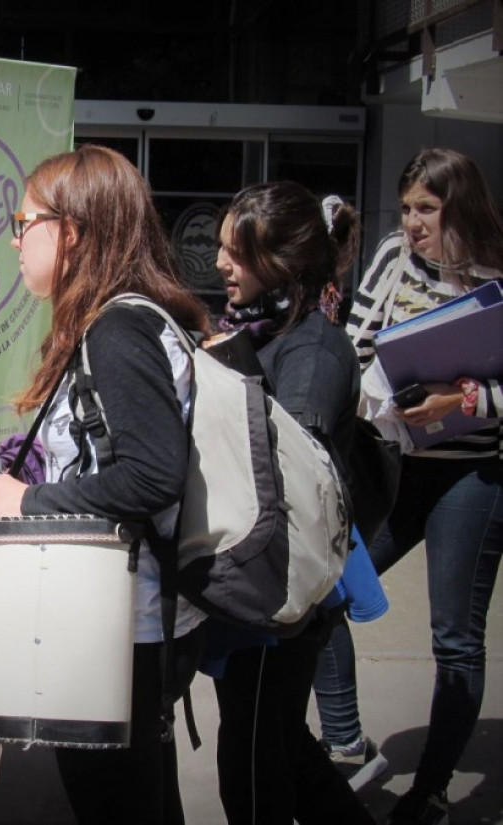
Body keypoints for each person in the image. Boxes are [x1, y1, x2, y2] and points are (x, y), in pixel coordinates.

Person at [0, 144, 209, 825]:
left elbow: (152, 472)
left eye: (23, 224)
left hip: (120, 628)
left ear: (71, 231)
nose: (15, 242)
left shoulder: (118, 328)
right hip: (128, 619)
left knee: (116, 802)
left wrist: (27, 499)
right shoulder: (125, 319)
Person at [336, 147, 503, 825]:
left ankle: (429, 788)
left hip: (471, 473)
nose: (412, 222)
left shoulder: (496, 273)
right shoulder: (390, 258)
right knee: (329, 591)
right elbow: (355, 343)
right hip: (395, 463)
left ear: (457, 207)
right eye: (406, 207)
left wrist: (456, 401)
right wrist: (388, 368)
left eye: (426, 209)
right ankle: (344, 739)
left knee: (455, 637)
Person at [201, 181, 374, 824]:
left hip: (281, 587)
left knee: (251, 763)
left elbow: (294, 469)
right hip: (260, 575)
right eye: (222, 248)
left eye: (237, 253)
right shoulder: (267, 329)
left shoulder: (313, 350)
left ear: (284, 263)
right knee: (280, 746)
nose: (222, 264)